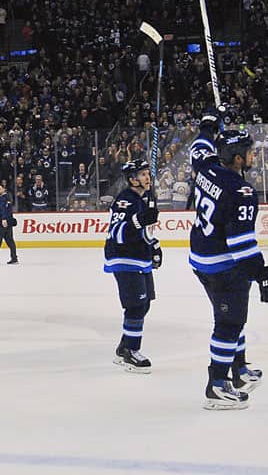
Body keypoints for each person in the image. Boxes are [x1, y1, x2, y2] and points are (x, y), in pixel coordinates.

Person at [189, 112, 268, 410]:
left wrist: (208, 126)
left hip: (201, 258)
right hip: (223, 264)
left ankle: (238, 371)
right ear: (238, 159)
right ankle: (216, 385)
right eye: (250, 152)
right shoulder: (241, 191)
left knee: (235, 318)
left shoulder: (206, 168)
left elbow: (198, 148)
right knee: (229, 323)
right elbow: (241, 245)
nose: (253, 155)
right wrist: (263, 273)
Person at [104, 159, 161, 373]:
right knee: (135, 306)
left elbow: (144, 232)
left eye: (148, 173)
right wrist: (138, 220)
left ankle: (123, 347)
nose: (147, 177)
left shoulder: (145, 198)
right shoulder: (125, 200)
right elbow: (117, 233)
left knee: (144, 304)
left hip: (140, 256)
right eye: (142, 174)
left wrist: (154, 246)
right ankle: (131, 352)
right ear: (131, 179)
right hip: (123, 257)